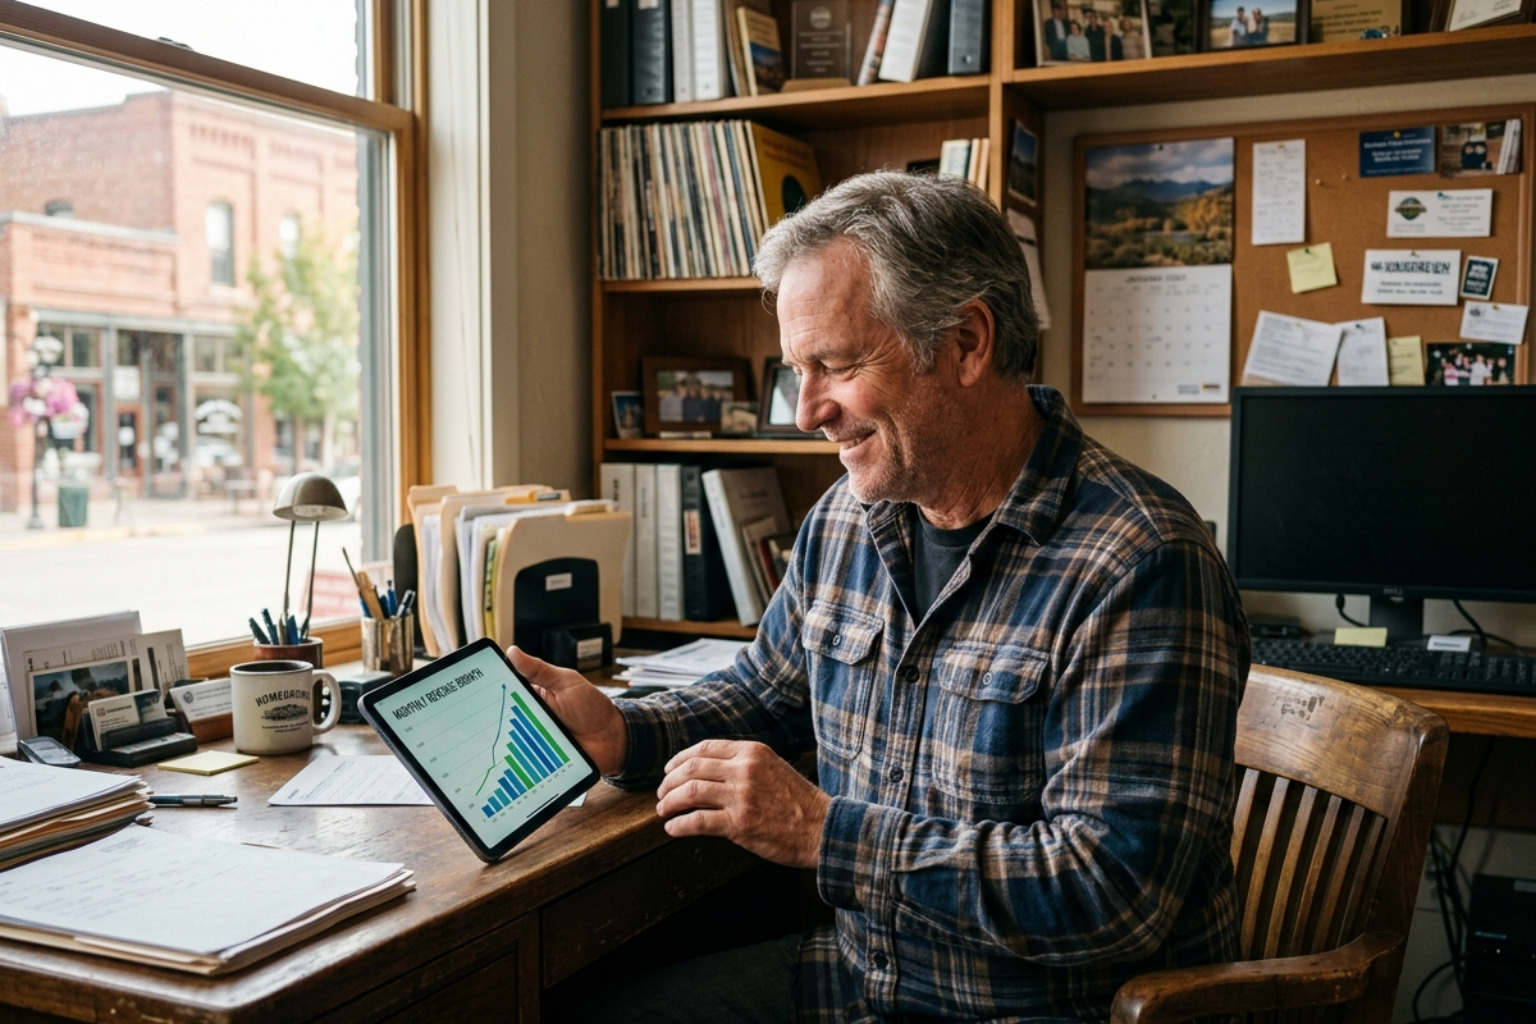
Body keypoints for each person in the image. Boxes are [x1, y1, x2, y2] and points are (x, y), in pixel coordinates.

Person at [519, 172, 1249, 1023]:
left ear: (968, 341)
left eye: (833, 365)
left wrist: (828, 835)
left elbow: (1111, 890)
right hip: (865, 982)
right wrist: (623, 732)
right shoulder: (848, 518)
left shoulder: (1140, 560)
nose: (805, 413)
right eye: (798, 370)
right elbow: (767, 693)